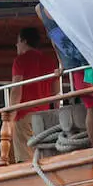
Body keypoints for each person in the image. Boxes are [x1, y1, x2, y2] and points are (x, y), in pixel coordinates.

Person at [32, 0, 93, 148]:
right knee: (89, 105)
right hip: (70, 61)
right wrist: (60, 63)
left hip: (87, 59)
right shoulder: (39, 8)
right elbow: (52, 36)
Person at [10, 26, 60, 162]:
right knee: (43, 157)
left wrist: (9, 119)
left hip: (24, 117)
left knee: (26, 159)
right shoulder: (50, 61)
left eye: (18, 41)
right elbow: (56, 92)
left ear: (24, 41)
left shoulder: (20, 61)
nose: (16, 45)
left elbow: (16, 91)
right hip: (44, 116)